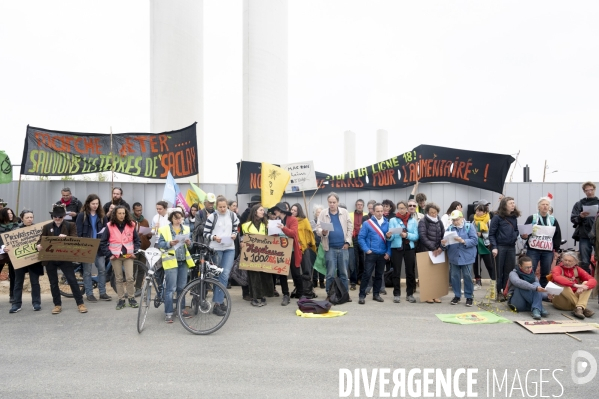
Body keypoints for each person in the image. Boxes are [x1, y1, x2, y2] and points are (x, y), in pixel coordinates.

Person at [37, 204, 87, 314]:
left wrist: (67, 238)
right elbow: (40, 241)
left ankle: (80, 303)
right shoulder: (47, 227)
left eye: (60, 217)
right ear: (52, 217)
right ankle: (57, 305)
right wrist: (38, 246)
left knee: (72, 280)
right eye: (55, 216)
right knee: (53, 283)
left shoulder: (70, 225)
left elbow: (75, 239)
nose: (57, 218)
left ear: (63, 217)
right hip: (50, 258)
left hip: (65, 258)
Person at [203, 195, 239, 315]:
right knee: (218, 275)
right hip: (216, 248)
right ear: (216, 206)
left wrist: (234, 235)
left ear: (227, 206)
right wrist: (214, 237)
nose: (222, 209)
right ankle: (218, 303)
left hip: (229, 247)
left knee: (225, 274)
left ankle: (218, 302)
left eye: (224, 207)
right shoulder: (212, 217)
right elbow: (205, 233)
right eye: (220, 207)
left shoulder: (232, 215)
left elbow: (235, 229)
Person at [99, 206, 140, 311]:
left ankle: (131, 298)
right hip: (116, 256)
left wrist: (134, 251)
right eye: (119, 213)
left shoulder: (131, 225)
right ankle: (121, 299)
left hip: (128, 256)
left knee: (130, 278)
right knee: (119, 278)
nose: (122, 215)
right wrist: (109, 254)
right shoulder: (109, 226)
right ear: (115, 214)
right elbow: (103, 242)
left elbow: (137, 240)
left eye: (123, 213)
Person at [157, 210, 194, 323]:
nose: (178, 220)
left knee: (181, 288)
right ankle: (169, 313)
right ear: (171, 219)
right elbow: (160, 244)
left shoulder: (186, 229)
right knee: (170, 289)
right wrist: (169, 243)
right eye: (176, 218)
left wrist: (189, 243)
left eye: (180, 218)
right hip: (171, 261)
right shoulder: (164, 229)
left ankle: (181, 310)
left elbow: (191, 246)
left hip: (183, 261)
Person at [76, 194, 112, 302]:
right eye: (93, 204)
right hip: (87, 246)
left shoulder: (102, 216)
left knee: (102, 269)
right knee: (87, 271)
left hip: (99, 246)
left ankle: (102, 293)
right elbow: (78, 232)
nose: (95, 206)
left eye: (97, 204)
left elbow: (106, 231)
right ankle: (89, 294)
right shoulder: (82, 215)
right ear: (88, 203)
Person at [521, 197, 562, 288]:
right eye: (543, 204)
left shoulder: (553, 220)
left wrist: (556, 249)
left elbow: (557, 235)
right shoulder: (532, 218)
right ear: (538, 206)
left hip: (547, 251)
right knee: (530, 269)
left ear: (549, 207)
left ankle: (543, 290)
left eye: (547, 205)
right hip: (533, 250)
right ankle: (529, 288)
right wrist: (524, 236)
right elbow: (525, 232)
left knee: (546, 271)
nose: (545, 206)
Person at [9, 209, 44, 313]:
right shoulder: (15, 230)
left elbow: (44, 241)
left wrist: (41, 245)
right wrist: (7, 248)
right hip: (20, 260)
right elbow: (8, 244)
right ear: (22, 218)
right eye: (27, 217)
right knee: (18, 282)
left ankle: (36, 303)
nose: (29, 219)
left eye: (31, 217)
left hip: (34, 260)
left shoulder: (38, 229)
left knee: (35, 282)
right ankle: (16, 304)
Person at [317, 192, 353, 293]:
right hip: (329, 248)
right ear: (327, 202)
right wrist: (322, 232)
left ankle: (345, 294)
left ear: (338, 202)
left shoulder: (344, 212)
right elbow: (318, 228)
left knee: (344, 273)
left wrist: (347, 242)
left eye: (334, 202)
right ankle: (329, 293)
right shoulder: (323, 213)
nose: (332, 204)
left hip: (343, 247)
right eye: (330, 202)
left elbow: (350, 228)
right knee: (330, 274)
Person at [441, 210, 478, 307]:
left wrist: (462, 240)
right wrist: (444, 244)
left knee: (467, 276)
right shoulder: (449, 228)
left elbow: (475, 241)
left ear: (462, 218)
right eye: (453, 220)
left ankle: (469, 296)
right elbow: (446, 245)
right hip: (454, 257)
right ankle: (457, 295)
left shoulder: (469, 227)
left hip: (467, 256)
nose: (455, 222)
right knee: (454, 276)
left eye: (456, 220)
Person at [272, 202, 306, 303]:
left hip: (291, 250)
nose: (274, 212)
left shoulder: (292, 219)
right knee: (282, 273)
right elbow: (274, 236)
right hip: (281, 251)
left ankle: (301, 293)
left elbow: (293, 233)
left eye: (276, 210)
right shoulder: (276, 220)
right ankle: (285, 294)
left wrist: (283, 228)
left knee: (296, 273)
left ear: (281, 210)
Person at [241, 204, 275, 306]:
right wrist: (242, 242)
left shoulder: (266, 224)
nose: (263, 212)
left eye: (263, 210)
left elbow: (273, 238)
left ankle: (263, 295)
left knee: (264, 275)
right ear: (255, 211)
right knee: (253, 276)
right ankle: (254, 297)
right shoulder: (246, 225)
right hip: (251, 254)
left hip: (263, 253)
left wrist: (271, 229)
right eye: (261, 210)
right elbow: (243, 238)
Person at [358, 203, 391, 304]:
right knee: (367, 274)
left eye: (381, 211)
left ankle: (376, 294)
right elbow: (361, 237)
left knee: (379, 275)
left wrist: (389, 252)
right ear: (373, 211)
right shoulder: (367, 223)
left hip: (382, 254)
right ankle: (362, 295)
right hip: (371, 253)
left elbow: (389, 240)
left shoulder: (387, 223)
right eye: (378, 211)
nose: (380, 213)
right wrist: (367, 249)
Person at [489, 197, 521, 302]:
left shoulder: (514, 217)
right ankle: (497, 292)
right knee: (498, 271)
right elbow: (491, 234)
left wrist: (516, 235)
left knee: (509, 271)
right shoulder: (497, 218)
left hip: (511, 247)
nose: (513, 205)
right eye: (511, 203)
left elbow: (516, 230)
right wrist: (494, 247)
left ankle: (506, 291)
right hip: (500, 247)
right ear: (504, 205)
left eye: (514, 203)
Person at [388, 201, 419, 304]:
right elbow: (391, 236)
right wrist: (388, 236)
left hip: (409, 247)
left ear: (406, 209)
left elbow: (416, 236)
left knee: (410, 271)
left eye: (403, 208)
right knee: (396, 271)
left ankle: (409, 294)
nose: (401, 210)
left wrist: (407, 235)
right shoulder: (392, 220)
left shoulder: (413, 220)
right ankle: (396, 294)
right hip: (397, 247)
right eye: (399, 208)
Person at [550, 251, 596, 319]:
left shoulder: (578, 269)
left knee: (586, 283)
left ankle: (579, 308)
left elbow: (593, 280)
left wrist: (584, 287)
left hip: (572, 302)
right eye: (565, 260)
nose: (567, 262)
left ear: (575, 262)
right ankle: (582, 308)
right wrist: (575, 285)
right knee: (561, 284)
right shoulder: (557, 268)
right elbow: (557, 278)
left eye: (570, 261)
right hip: (560, 302)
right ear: (562, 260)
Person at [418, 202, 445, 303]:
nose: (434, 214)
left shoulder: (439, 221)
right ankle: (428, 295)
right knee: (427, 275)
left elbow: (443, 235)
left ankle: (435, 295)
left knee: (436, 274)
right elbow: (423, 236)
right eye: (431, 212)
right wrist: (433, 247)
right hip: (426, 250)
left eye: (435, 212)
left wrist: (440, 247)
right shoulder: (423, 221)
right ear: (427, 212)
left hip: (438, 251)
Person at [571, 181, 599, 274]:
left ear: (594, 189)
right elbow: (573, 219)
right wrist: (580, 216)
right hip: (584, 236)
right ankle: (586, 282)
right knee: (584, 261)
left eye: (591, 189)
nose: (589, 192)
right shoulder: (579, 204)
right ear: (584, 191)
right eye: (587, 190)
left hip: (598, 236)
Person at [472, 203, 495, 289]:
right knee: (476, 264)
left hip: (486, 245)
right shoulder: (474, 221)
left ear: (485, 212)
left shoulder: (489, 221)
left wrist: (482, 235)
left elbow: (492, 234)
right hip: (476, 245)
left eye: (480, 211)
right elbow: (471, 232)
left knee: (489, 264)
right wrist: (475, 234)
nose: (477, 212)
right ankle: (478, 281)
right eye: (476, 210)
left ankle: (493, 281)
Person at [131, 202, 151, 293]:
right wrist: (136, 234)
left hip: (143, 247)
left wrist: (149, 234)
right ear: (133, 210)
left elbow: (148, 236)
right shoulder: (129, 220)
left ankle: (138, 287)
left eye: (140, 210)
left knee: (142, 268)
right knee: (133, 268)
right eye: (137, 210)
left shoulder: (145, 221)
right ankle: (130, 287)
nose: (139, 212)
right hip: (133, 248)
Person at [0, 208, 19, 303]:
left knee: (13, 275)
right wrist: (2, 248)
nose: (11, 215)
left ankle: (13, 295)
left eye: (11, 213)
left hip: (13, 254)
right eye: (8, 213)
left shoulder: (16, 226)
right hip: (1, 254)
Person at [349, 199, 368, 290]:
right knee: (353, 261)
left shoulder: (366, 216)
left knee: (362, 260)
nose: (359, 206)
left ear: (363, 206)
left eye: (361, 204)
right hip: (353, 239)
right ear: (356, 206)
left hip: (363, 239)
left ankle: (360, 278)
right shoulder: (350, 215)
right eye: (358, 204)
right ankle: (353, 281)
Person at [312, 204, 325, 289]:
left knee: (321, 263)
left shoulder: (324, 222)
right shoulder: (312, 222)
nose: (319, 214)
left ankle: (321, 281)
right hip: (314, 245)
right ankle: (314, 281)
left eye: (320, 212)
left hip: (322, 245)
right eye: (317, 212)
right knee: (314, 263)